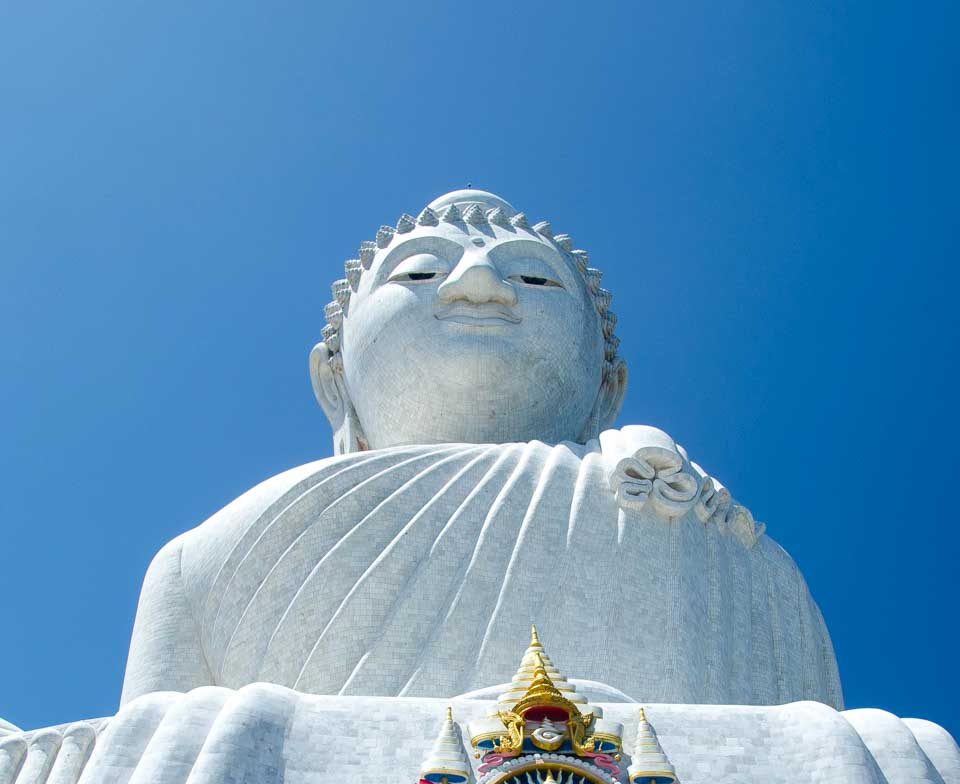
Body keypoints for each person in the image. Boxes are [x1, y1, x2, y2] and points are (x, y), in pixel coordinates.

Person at [120, 189, 841, 708]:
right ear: (334, 381)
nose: (478, 285)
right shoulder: (202, 561)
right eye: (419, 272)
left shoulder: (712, 540)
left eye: (533, 276)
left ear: (606, 390)